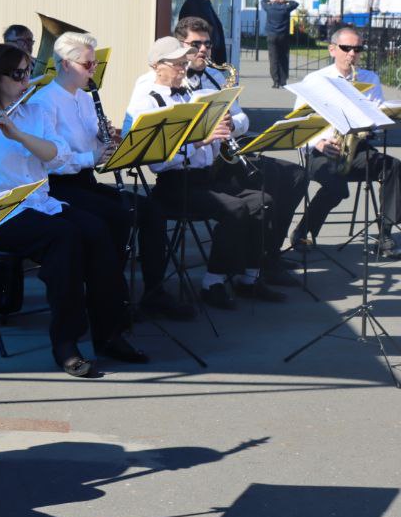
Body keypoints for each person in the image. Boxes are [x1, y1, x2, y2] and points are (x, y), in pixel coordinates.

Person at [0, 43, 144, 377]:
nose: (26, 79)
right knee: (65, 238)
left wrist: (17, 134)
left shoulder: (34, 113)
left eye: (28, 71)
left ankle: (110, 333)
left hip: (39, 203)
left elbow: (57, 156)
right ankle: (65, 343)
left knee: (98, 229)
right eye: (18, 73)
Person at [31, 31, 189, 320]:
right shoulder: (45, 102)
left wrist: (110, 142)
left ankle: (153, 292)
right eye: (87, 64)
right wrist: (90, 156)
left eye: (94, 64)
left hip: (85, 181)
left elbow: (95, 145)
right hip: (58, 187)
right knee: (117, 217)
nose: (93, 70)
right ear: (66, 64)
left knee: (151, 210)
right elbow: (52, 159)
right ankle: (108, 297)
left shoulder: (85, 97)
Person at [124, 37, 278, 311]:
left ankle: (248, 276)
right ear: (157, 66)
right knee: (234, 209)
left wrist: (222, 130)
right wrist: (197, 142)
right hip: (174, 185)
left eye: (185, 62)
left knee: (262, 201)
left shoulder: (191, 95)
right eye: (178, 63)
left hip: (206, 178)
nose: (184, 68)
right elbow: (157, 162)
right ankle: (213, 282)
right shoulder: (148, 104)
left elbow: (211, 145)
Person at [174, 17, 304, 288]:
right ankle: (251, 264)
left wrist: (231, 124)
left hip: (224, 159)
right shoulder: (171, 83)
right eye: (195, 44)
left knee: (294, 175)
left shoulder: (216, 76)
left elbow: (242, 119)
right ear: (179, 45)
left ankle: (267, 255)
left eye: (207, 44)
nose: (203, 50)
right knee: (262, 196)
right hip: (198, 169)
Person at [292, 25, 401, 254]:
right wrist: (320, 142)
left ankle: (384, 235)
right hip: (321, 150)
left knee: (393, 167)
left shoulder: (369, 78)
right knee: (337, 188)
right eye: (346, 48)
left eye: (357, 49)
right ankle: (303, 232)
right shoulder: (315, 79)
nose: (352, 54)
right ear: (332, 49)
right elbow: (299, 123)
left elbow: (374, 115)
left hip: (356, 149)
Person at [177, 0, 229, 65]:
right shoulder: (192, 5)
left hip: (209, 57)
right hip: (199, 59)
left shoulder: (206, 3)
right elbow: (193, 33)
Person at [262, 0, 300, 88]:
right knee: (284, 58)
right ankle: (283, 81)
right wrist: (285, 0)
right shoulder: (286, 8)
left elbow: (262, 1)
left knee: (273, 59)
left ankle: (276, 81)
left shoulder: (269, 8)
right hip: (283, 36)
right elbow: (295, 3)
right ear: (281, 0)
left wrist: (270, 0)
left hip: (271, 35)